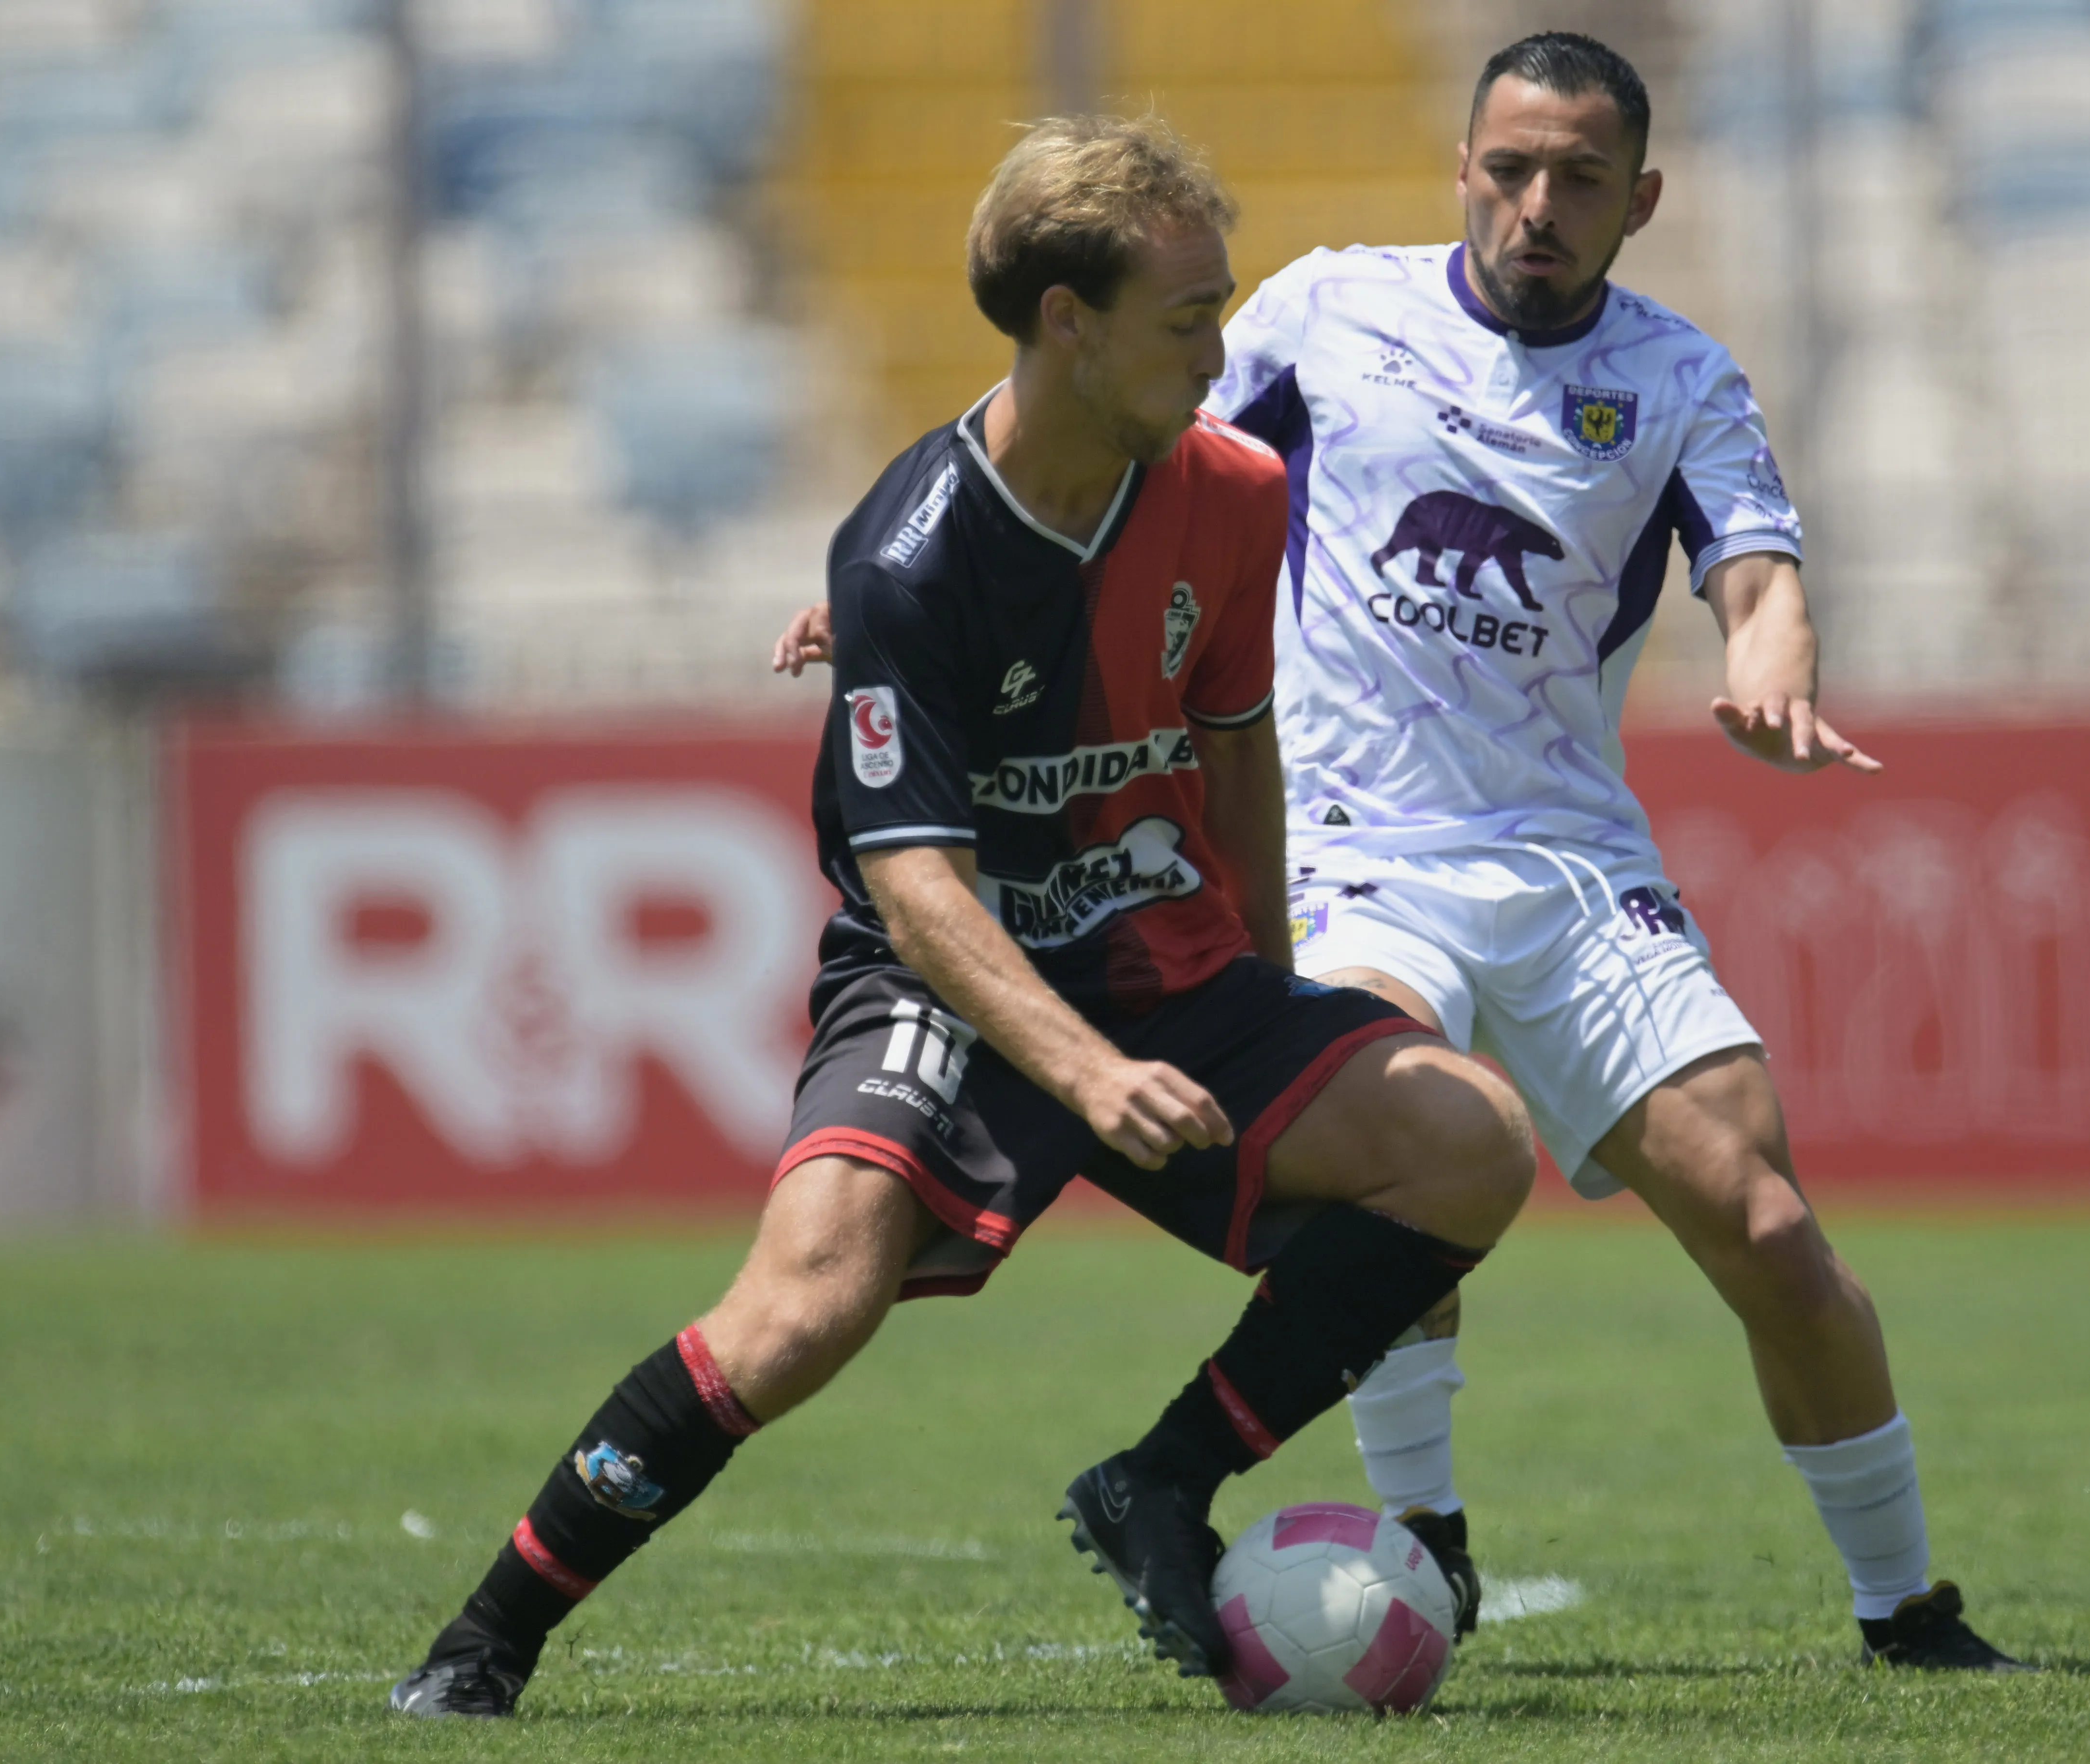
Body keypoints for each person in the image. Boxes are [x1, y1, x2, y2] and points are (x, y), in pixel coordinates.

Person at [777, 36, 2024, 1672]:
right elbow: (1098, 441)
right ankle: (1428, 1533)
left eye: (1580, 178)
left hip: (1571, 856)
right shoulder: (1322, 311)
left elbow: (1756, 564)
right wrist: (902, 596)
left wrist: (1771, 655)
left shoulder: (1680, 380)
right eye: (1507, 168)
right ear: (1460, 169)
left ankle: (1905, 1610)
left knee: (1770, 1228)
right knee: (1395, 1136)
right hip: (1352, 840)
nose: (1536, 205)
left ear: (1639, 198)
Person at [391, 114, 1536, 1719]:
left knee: (1467, 1142)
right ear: (1066, 324)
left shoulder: (1229, 490)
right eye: (1186, 317)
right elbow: (915, 887)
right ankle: (484, 1639)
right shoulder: (909, 557)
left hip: (1169, 966)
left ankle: (1158, 1479)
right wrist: (1085, 1074)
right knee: (805, 1307)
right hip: (949, 975)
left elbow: (1236, 753)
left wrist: (1274, 1003)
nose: (1221, 352)